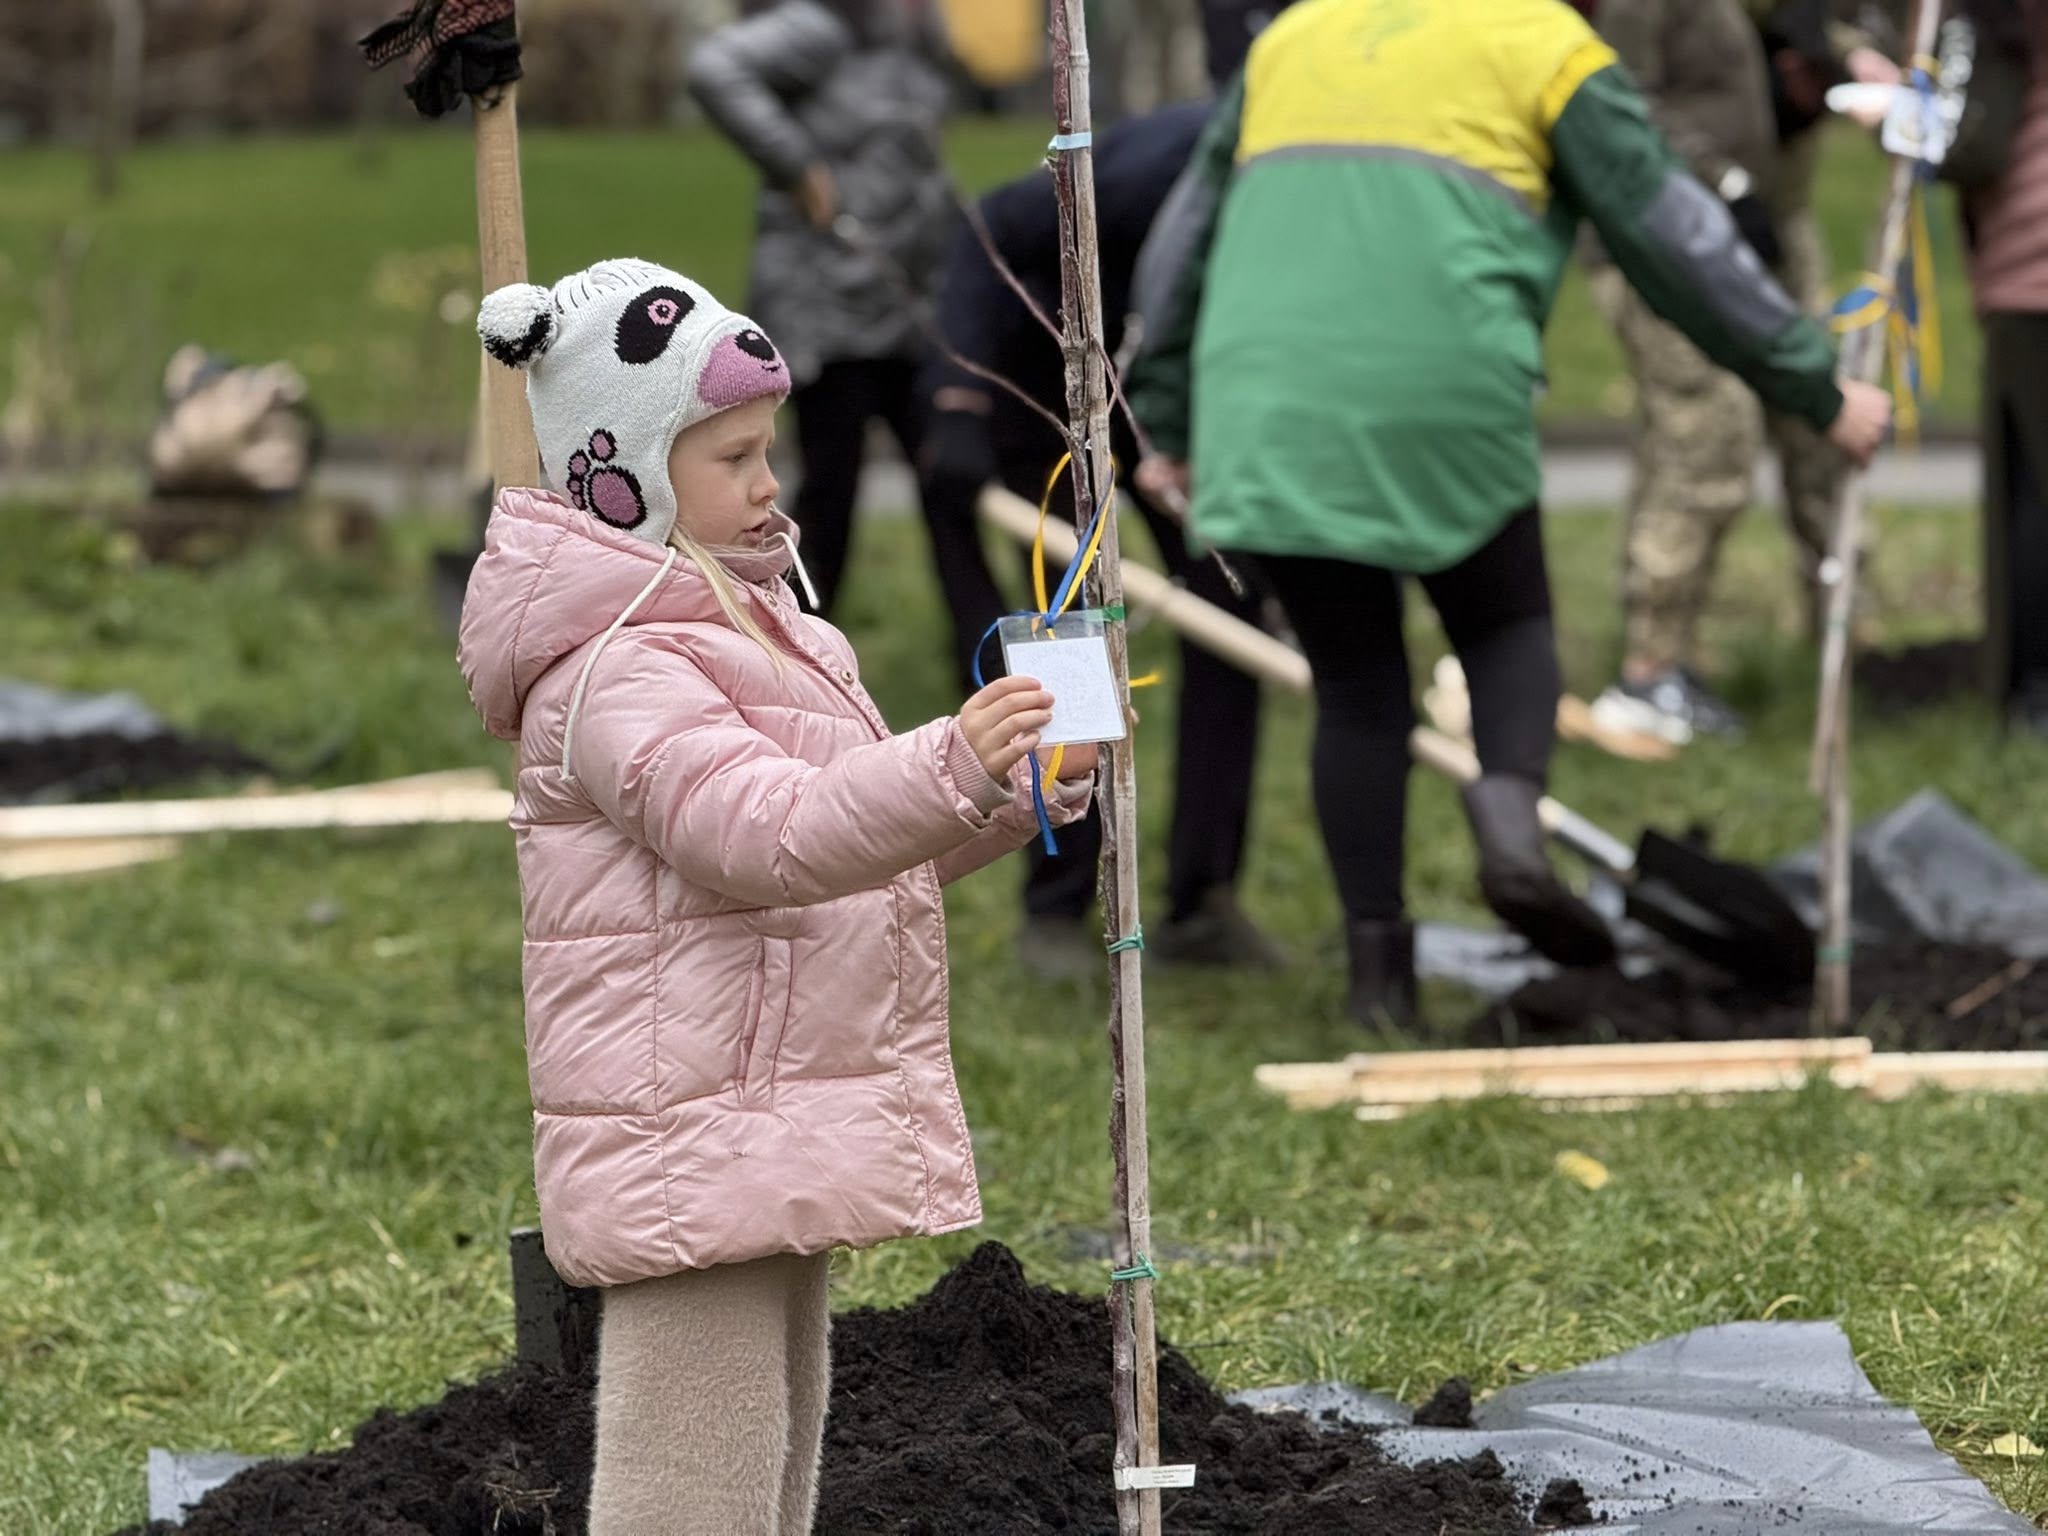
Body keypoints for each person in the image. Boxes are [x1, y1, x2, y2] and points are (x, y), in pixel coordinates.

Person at [459, 259, 1094, 1534]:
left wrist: (986, 797)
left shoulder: (748, 625)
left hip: (754, 1101)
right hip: (683, 1126)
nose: (769, 484)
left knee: (772, 1451)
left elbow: (842, 847)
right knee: (688, 1483)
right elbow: (761, 833)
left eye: (769, 451)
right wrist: (942, 761)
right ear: (623, 473)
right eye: (735, 458)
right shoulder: (619, 667)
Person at [1129, 0, 1892, 1025]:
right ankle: (1509, 823)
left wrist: (1165, 420)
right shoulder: (1544, 47)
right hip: (1439, 389)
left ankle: (1378, 984)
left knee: (1356, 688)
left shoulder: (1292, 37)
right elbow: (1678, 241)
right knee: (1503, 619)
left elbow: (1182, 244)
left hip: (1265, 406)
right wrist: (1815, 385)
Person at [920, 100, 1284, 976]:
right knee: (1068, 642)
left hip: (1167, 406)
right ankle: (1055, 909)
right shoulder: (1154, 167)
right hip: (1045, 387)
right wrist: (961, 404)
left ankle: (1203, 897)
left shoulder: (1319, 183)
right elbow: (987, 238)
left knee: (1234, 611)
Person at [687, 0, 994, 644]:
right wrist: (797, 166)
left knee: (950, 485)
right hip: (831, 311)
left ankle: (996, 669)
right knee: (831, 494)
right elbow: (715, 68)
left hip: (908, 309)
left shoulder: (911, 36)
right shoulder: (822, 24)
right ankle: (791, 658)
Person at [1930, 0, 2048, 732]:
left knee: (2030, 494)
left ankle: (2031, 695)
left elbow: (1962, 140)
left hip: (2026, 261)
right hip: (2027, 262)